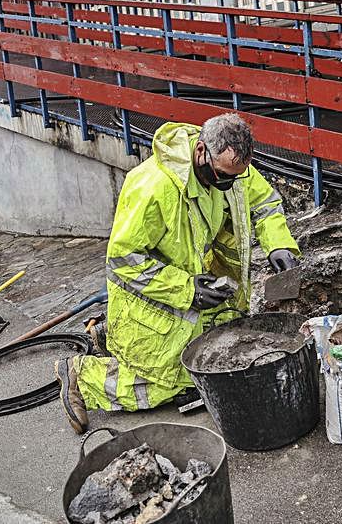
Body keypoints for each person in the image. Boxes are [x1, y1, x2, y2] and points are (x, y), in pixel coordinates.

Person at [54, 113, 300, 434]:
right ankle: (80, 376)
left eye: (236, 177)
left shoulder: (230, 167)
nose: (229, 184)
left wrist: (279, 244)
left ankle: (106, 334)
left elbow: (264, 201)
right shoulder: (152, 187)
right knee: (177, 381)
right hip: (153, 298)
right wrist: (188, 290)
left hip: (193, 288)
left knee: (230, 339)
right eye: (223, 176)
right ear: (201, 152)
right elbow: (124, 261)